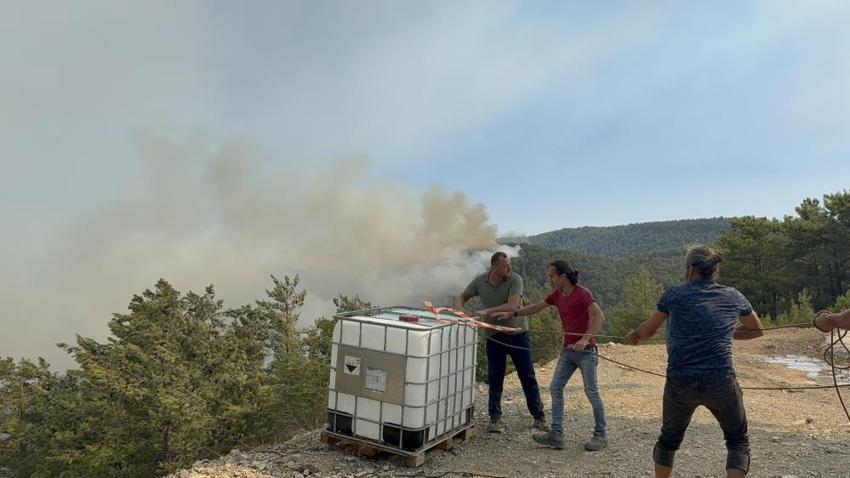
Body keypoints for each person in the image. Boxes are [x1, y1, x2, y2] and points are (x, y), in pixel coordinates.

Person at [625, 245, 764, 478]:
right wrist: (724, 332)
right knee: (737, 441)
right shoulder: (733, 295)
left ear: (689, 269)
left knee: (669, 439)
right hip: (721, 380)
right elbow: (757, 329)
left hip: (680, 380)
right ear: (715, 270)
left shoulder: (674, 295)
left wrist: (635, 335)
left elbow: (648, 331)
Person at [496, 259, 607, 451]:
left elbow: (599, 317)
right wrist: (514, 314)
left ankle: (600, 435)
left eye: (552, 276)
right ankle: (556, 434)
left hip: (586, 352)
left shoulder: (582, 293)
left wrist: (585, 339)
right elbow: (536, 308)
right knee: (556, 388)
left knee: (591, 392)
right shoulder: (557, 294)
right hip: (568, 350)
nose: (550, 279)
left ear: (563, 276)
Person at [455, 251, 546, 433]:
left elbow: (512, 306)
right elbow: (462, 297)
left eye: (510, 264)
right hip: (493, 336)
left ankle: (539, 417)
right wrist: (459, 308)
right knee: (495, 377)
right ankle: (494, 418)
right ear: (495, 267)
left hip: (518, 334)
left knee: (527, 375)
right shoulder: (480, 281)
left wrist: (486, 311)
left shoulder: (515, 279)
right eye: (506, 266)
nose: (510, 268)